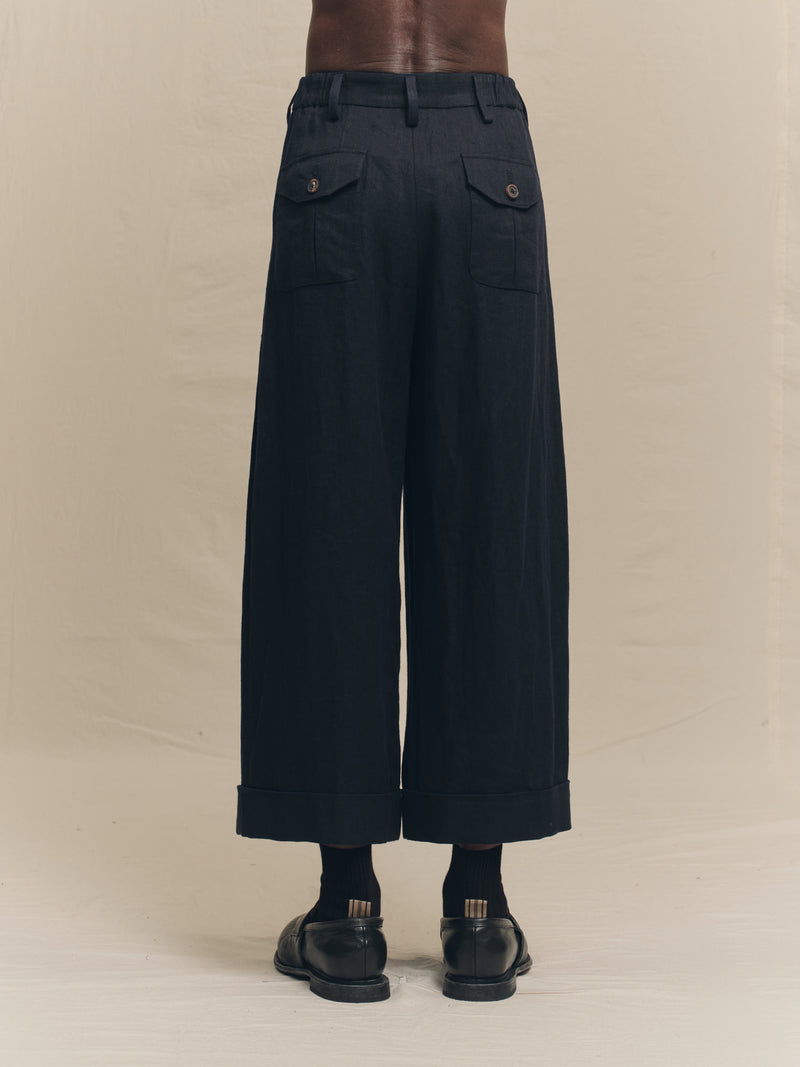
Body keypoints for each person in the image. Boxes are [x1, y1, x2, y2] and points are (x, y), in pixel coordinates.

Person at [236, 0, 571, 1003]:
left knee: (324, 515)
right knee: (493, 521)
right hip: (484, 150)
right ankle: (478, 911)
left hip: (341, 139)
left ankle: (346, 911)